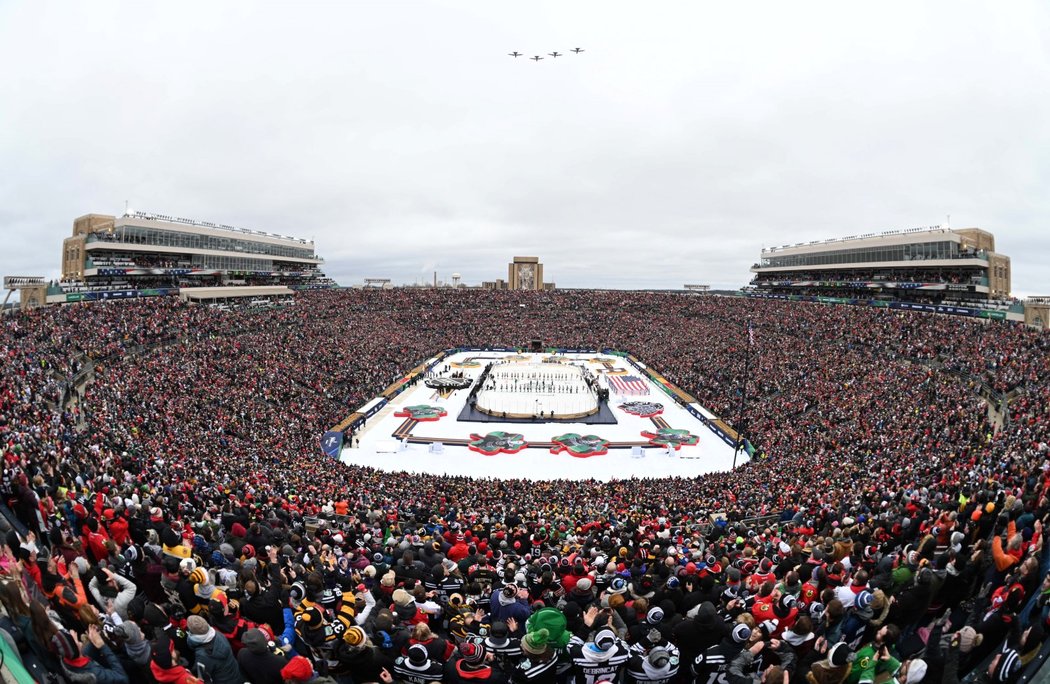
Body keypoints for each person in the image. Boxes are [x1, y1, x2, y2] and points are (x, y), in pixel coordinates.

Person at [50, 625, 130, 684]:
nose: (74, 634)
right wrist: (103, 646)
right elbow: (123, 678)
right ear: (74, 649)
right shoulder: (94, 675)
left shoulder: (66, 659)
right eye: (74, 639)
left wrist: (93, 640)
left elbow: (83, 654)